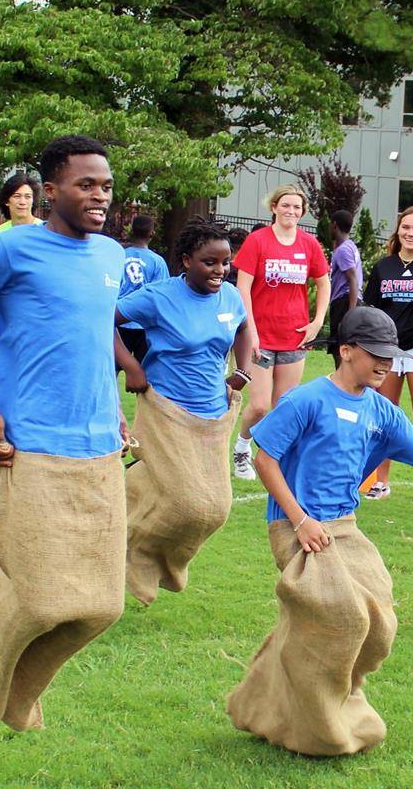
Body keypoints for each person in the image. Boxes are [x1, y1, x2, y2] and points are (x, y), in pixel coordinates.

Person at [225, 306, 413, 757]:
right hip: (296, 527)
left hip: (344, 527)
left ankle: (269, 695)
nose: (387, 364)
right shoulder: (306, 400)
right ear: (346, 351)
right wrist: (301, 520)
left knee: (380, 625)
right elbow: (264, 458)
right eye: (377, 354)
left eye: (391, 355)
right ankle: (322, 729)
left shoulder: (380, 412)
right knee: (342, 617)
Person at [0, 135, 129, 730]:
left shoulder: (112, 256)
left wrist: (114, 400)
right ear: (51, 191)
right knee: (44, 600)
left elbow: (93, 334)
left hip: (102, 446)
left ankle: (16, 696)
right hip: (33, 442)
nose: (99, 196)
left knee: (103, 606)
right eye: (86, 184)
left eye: (106, 186)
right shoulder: (12, 250)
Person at [114, 217, 254, 604]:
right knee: (187, 503)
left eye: (225, 263)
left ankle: (135, 518)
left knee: (217, 509)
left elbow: (242, 329)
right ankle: (127, 555)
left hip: (214, 415)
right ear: (187, 260)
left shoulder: (229, 296)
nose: (220, 271)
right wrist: (131, 365)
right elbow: (102, 321)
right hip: (166, 411)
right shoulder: (159, 296)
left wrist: (241, 371)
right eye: (210, 262)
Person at [231, 185, 330, 480]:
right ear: (274, 207)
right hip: (261, 336)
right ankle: (241, 449)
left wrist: (316, 322)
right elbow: (243, 287)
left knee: (283, 406)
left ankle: (271, 460)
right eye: (286, 205)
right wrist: (251, 331)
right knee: (260, 406)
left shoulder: (309, 244)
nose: (291, 211)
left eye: (297, 207)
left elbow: (324, 282)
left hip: (294, 336)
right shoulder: (257, 241)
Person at [362, 206, 413, 503]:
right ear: (398, 231)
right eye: (406, 227)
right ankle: (381, 482)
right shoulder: (384, 266)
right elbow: (370, 308)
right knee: (386, 416)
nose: (411, 233)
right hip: (387, 349)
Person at [116, 214, 170, 364]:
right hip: (144, 324)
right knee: (147, 374)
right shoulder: (157, 262)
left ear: (132, 231)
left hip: (118, 320)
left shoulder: (119, 256)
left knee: (112, 369)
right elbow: (160, 295)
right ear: (152, 233)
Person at [326, 209, 361, 367]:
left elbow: (352, 279)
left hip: (344, 302)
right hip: (346, 301)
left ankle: (343, 385)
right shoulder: (349, 246)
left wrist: (350, 312)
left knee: (339, 347)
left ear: (334, 225)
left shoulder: (343, 250)